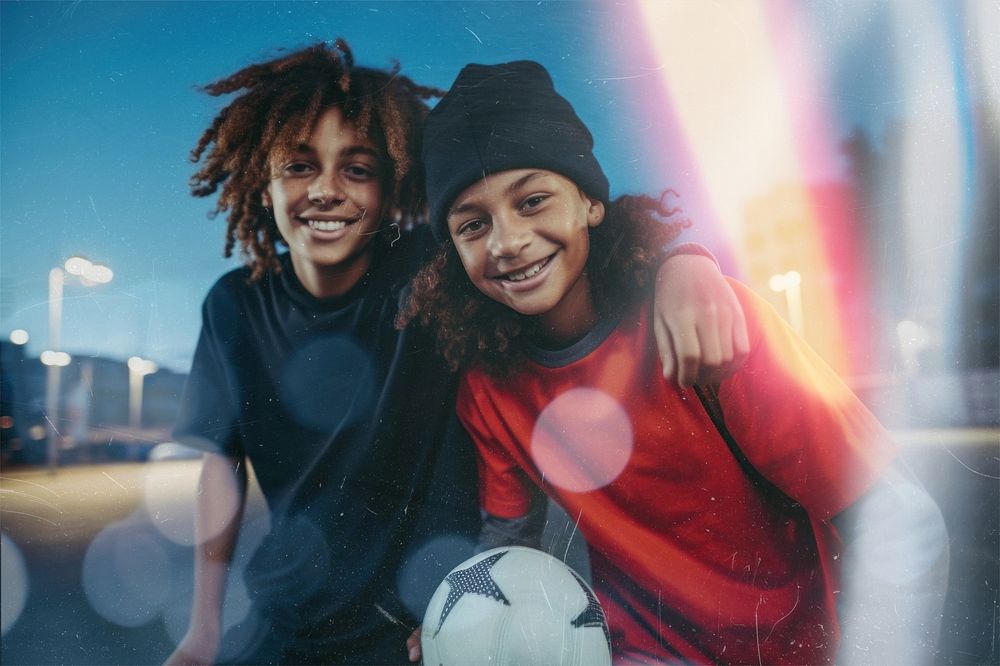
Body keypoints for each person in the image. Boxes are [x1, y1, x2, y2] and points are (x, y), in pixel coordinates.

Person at [166, 42, 748, 665]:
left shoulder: (435, 276)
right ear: (263, 180)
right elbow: (219, 468)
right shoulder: (232, 305)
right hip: (287, 621)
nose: (327, 190)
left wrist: (684, 261)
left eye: (357, 169)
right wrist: (202, 631)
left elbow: (573, 252)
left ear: (396, 189)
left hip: (429, 623)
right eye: (300, 167)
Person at [401, 60, 949, 664]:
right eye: (473, 224)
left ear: (591, 203)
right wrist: (462, 628)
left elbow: (901, 524)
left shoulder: (710, 321)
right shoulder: (487, 387)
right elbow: (506, 547)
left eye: (533, 200)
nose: (506, 241)